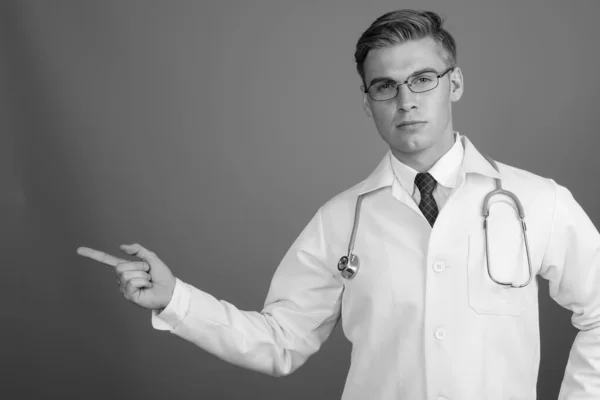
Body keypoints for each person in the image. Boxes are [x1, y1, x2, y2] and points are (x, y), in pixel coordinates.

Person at [77, 9, 600, 400]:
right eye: (385, 86)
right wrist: (176, 300)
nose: (406, 99)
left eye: (423, 79)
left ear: (454, 84)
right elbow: (281, 341)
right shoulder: (340, 221)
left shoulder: (537, 201)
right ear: (367, 101)